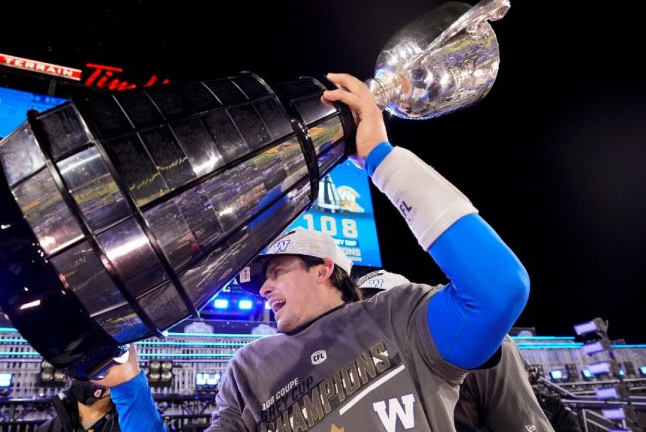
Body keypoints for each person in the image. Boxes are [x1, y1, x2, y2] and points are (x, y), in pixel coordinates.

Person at [112, 72, 530, 431]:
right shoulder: (248, 366)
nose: (263, 289)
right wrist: (129, 389)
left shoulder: (399, 315)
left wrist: (381, 160)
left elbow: (497, 289)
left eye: (275, 271)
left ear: (322, 269)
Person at [359, 270, 555, 432]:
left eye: (384, 312)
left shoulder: (478, 342)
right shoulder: (364, 371)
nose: (376, 326)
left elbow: (523, 423)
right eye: (365, 316)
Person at [37, 343, 166, 432]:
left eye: (97, 368)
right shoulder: (48, 429)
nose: (87, 374)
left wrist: (128, 381)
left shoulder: (134, 422)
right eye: (79, 366)